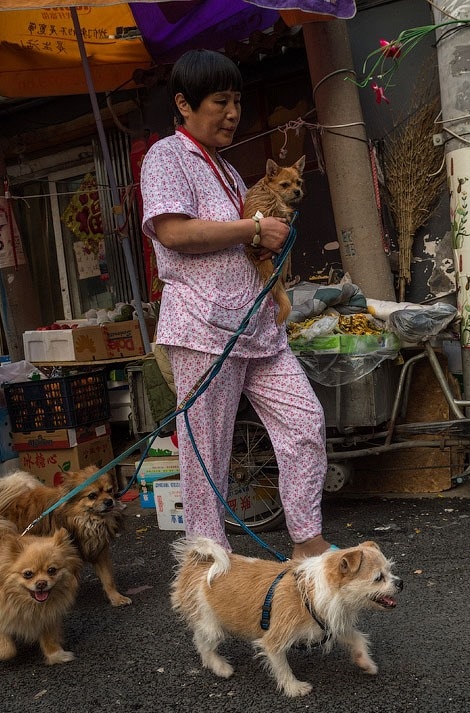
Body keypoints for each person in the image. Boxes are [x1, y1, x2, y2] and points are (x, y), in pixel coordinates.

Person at [139, 49, 332, 559]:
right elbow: (173, 231)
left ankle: (306, 542)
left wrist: (267, 241)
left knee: (304, 422)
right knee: (208, 453)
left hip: (257, 326)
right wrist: (252, 228)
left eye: (237, 102)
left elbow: (245, 241)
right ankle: (208, 563)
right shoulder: (166, 157)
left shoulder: (226, 170)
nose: (233, 113)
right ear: (183, 103)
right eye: (220, 101)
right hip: (204, 327)